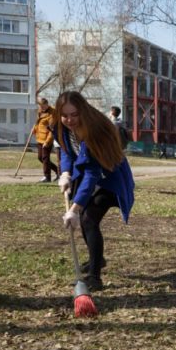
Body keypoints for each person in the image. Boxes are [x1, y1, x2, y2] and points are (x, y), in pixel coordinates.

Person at [55, 91, 135, 291]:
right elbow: (66, 150)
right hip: (90, 177)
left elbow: (92, 174)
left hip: (109, 178)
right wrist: (65, 172)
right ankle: (96, 259)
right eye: (65, 115)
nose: (70, 120)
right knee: (86, 221)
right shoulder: (62, 127)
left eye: (74, 114)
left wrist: (74, 208)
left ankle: (94, 277)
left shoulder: (95, 130)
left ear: (82, 111)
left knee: (88, 218)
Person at [34, 98, 58, 183]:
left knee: (45, 158)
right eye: (40, 106)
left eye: (43, 106)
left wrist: (47, 141)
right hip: (39, 138)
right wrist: (34, 129)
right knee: (40, 157)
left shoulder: (52, 113)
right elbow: (38, 123)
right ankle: (58, 171)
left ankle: (47, 177)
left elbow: (52, 129)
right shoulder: (40, 111)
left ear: (47, 104)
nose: (42, 108)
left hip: (46, 139)